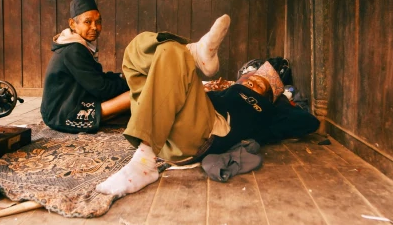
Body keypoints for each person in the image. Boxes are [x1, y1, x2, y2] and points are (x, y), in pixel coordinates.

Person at [95, 15, 319, 198]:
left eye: (260, 85)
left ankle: (144, 162)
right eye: (249, 80)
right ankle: (194, 52)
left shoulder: (270, 113)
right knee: (136, 49)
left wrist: (284, 101)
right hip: (168, 131)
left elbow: (309, 123)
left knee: (174, 53)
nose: (252, 83)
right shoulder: (228, 89)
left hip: (202, 135)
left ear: (269, 97)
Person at [41, 0, 130, 133]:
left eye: (98, 21)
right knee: (137, 95)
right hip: (62, 113)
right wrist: (129, 83)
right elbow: (101, 88)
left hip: (66, 107)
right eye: (87, 22)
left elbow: (96, 77)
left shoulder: (78, 45)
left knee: (127, 99)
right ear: (72, 24)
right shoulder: (74, 49)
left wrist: (121, 77)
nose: (95, 27)